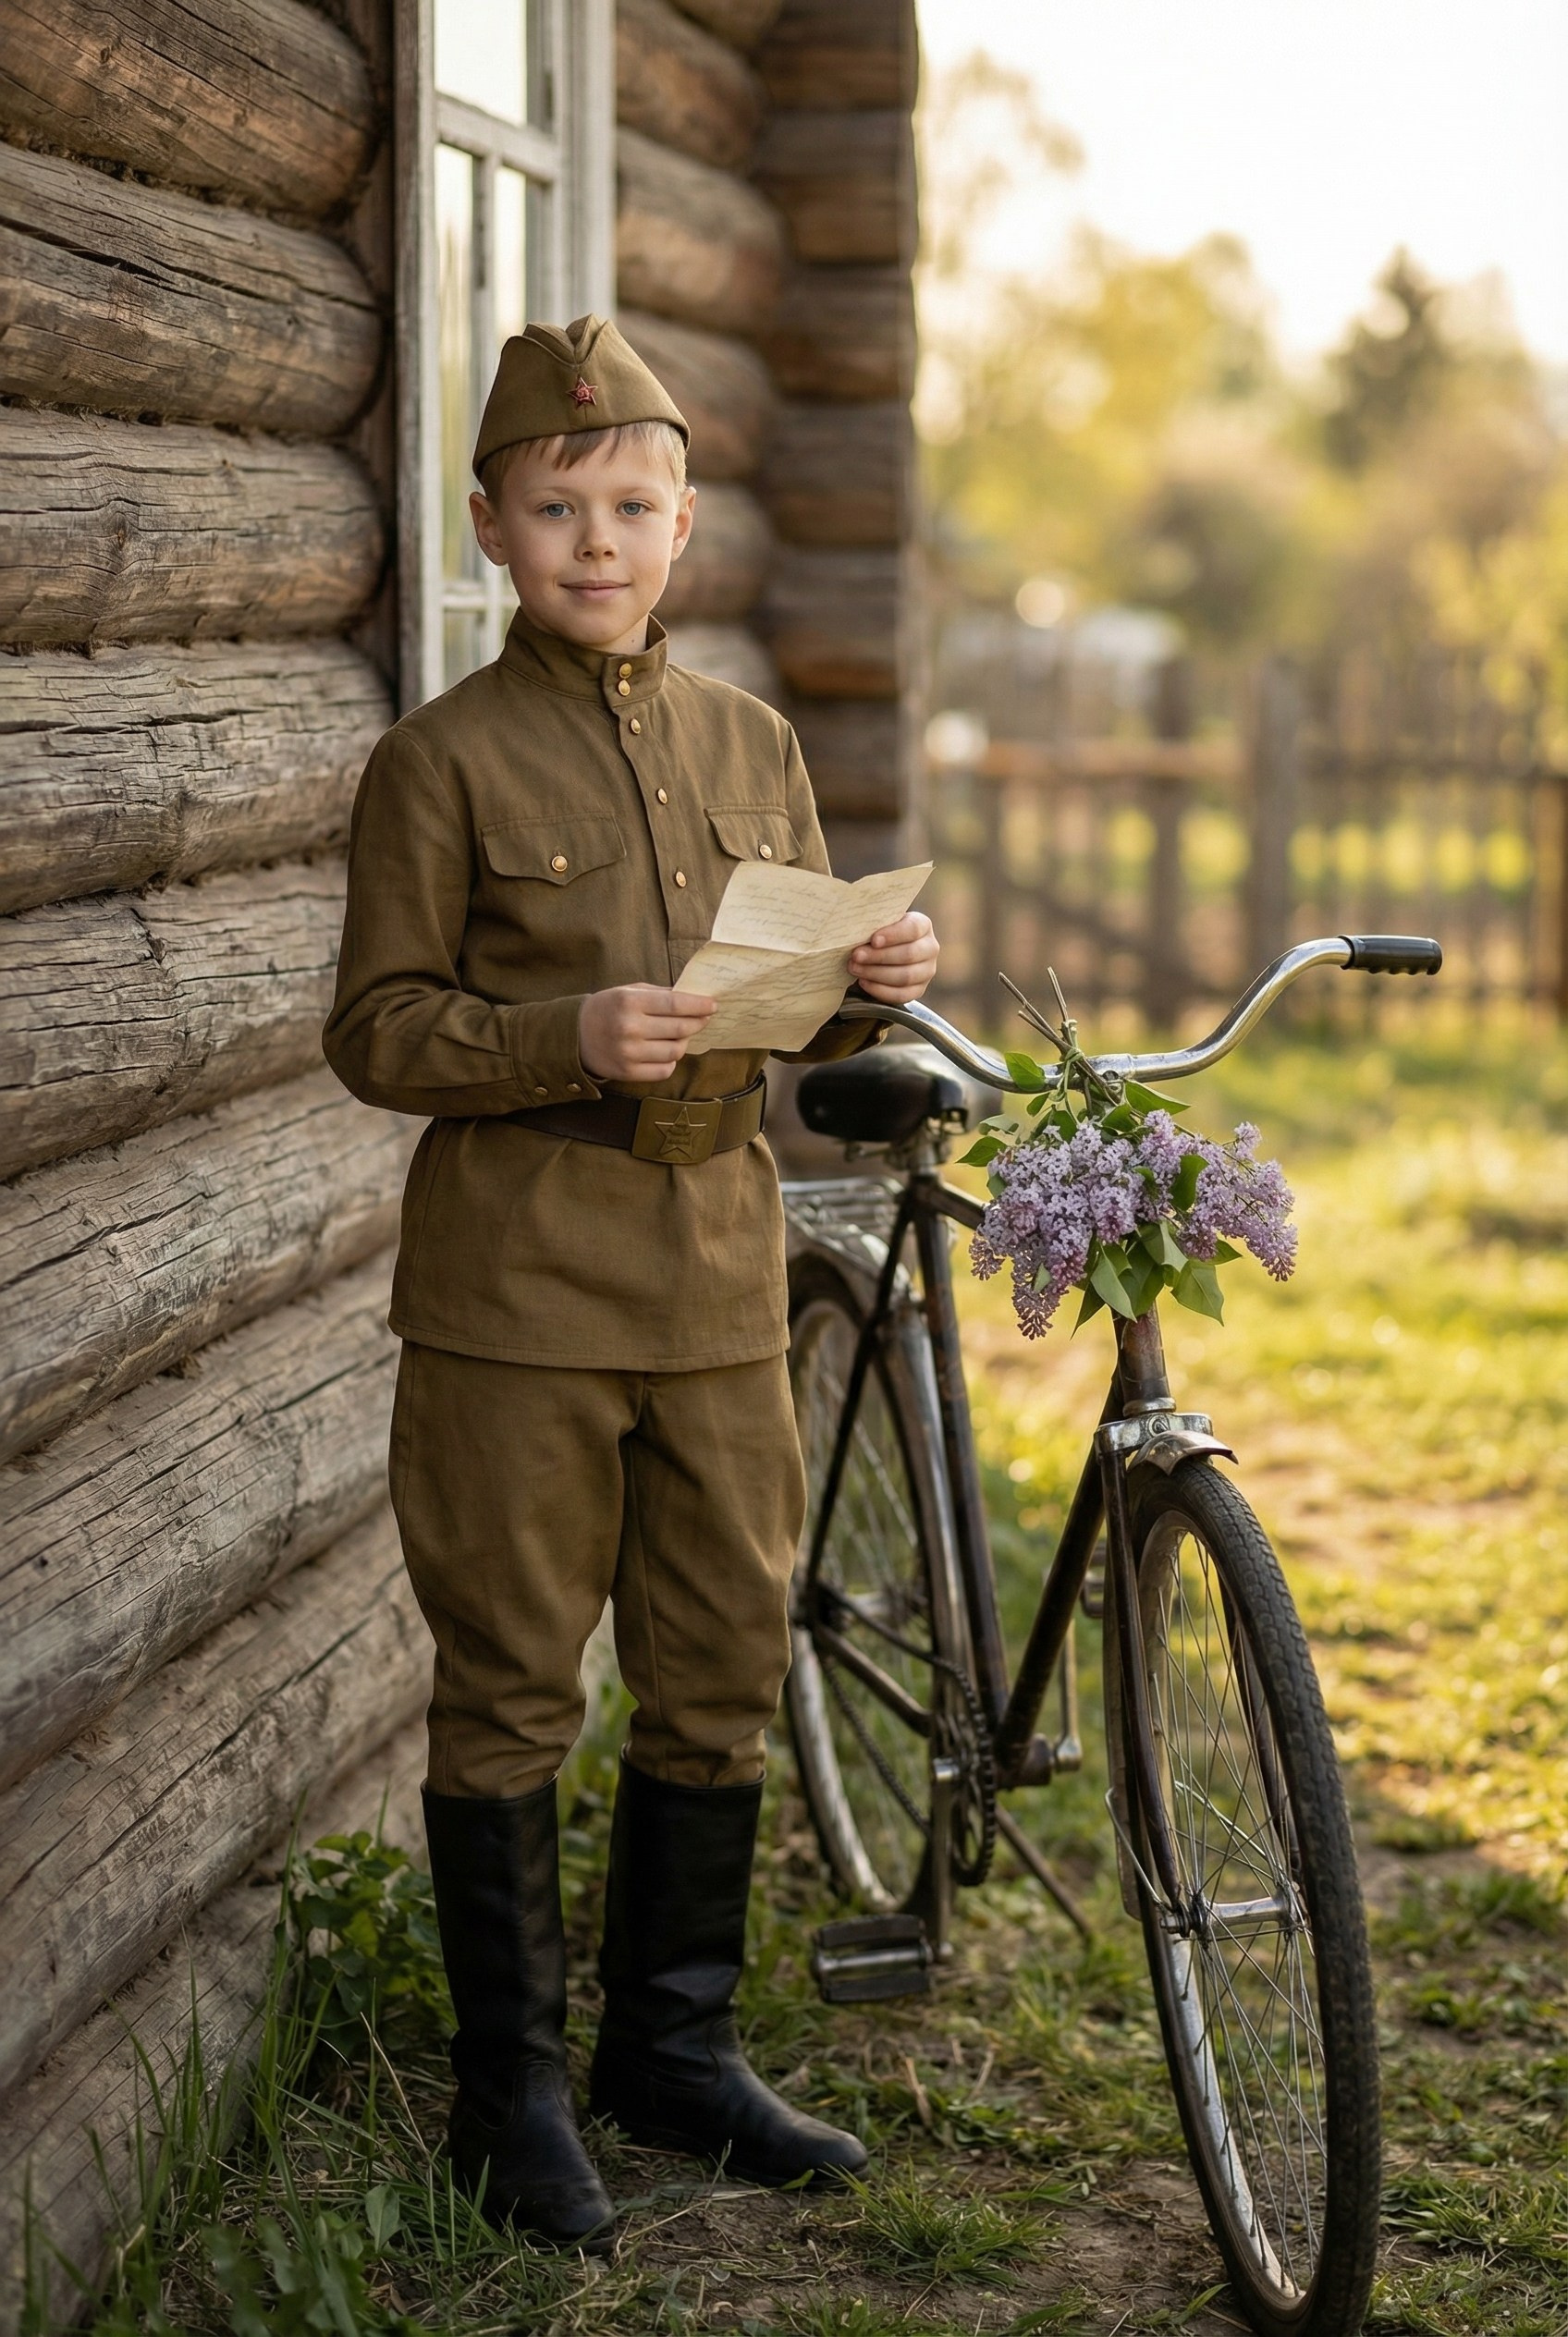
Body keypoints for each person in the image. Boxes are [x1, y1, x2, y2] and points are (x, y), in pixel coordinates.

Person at [324, 314, 939, 2252]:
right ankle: (507, 2094)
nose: (601, 539)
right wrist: (561, 1035)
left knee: (721, 1661)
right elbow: (375, 1032)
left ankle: (666, 2051)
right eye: (560, 504)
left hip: (716, 1278)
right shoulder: (436, 762)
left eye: (636, 505)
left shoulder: (752, 743)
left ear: (683, 528)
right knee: (511, 1687)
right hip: (515, 1289)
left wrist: (869, 975)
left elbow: (783, 986)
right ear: (497, 525)